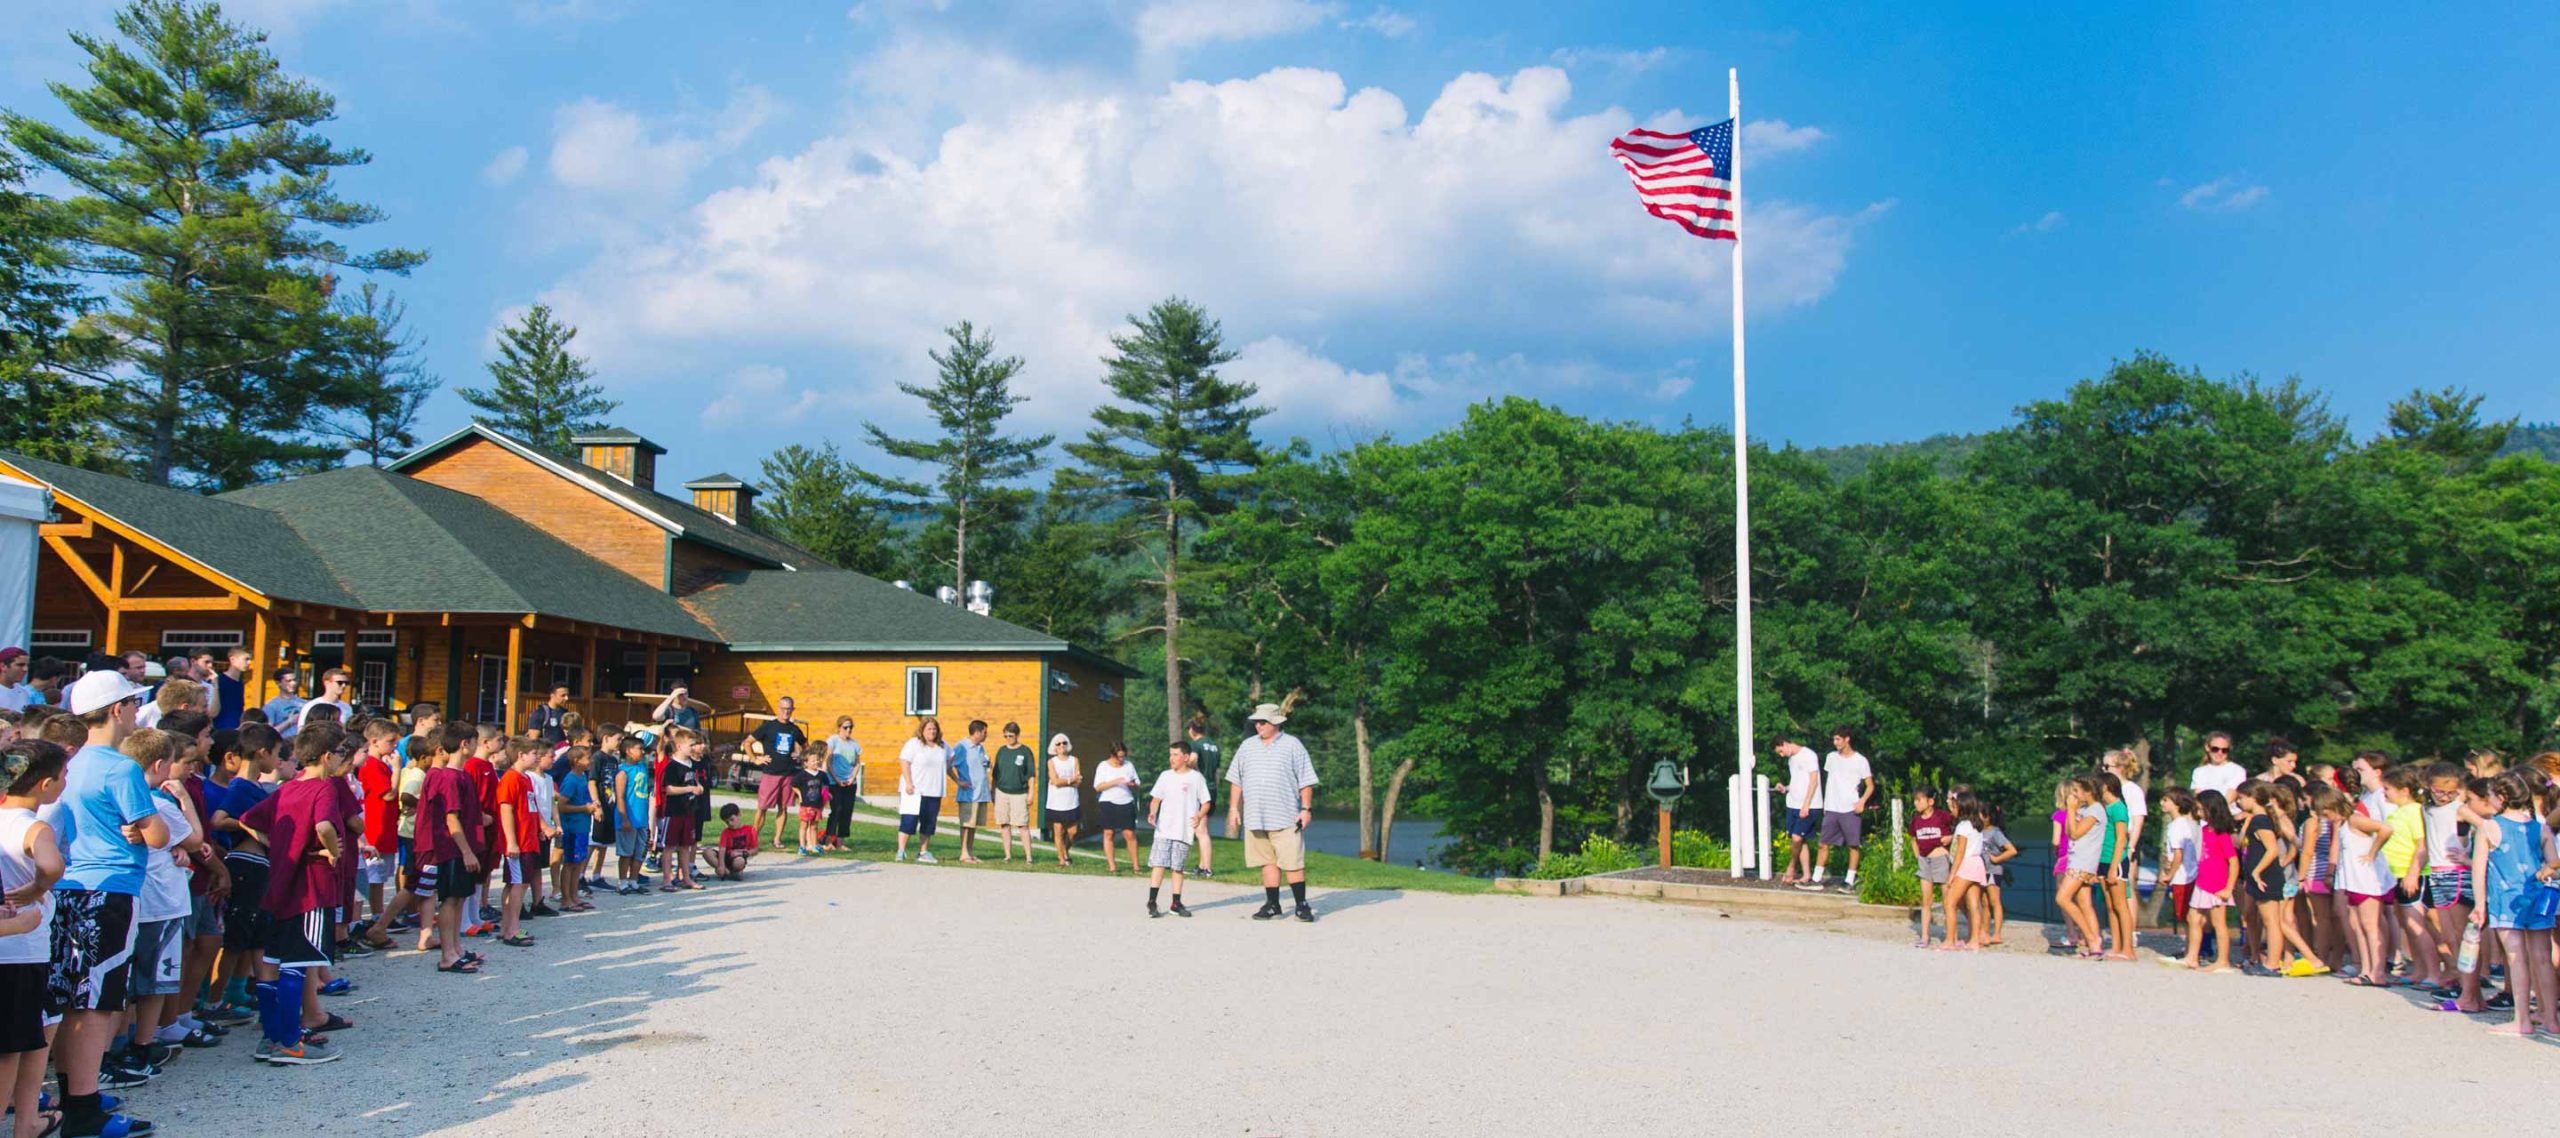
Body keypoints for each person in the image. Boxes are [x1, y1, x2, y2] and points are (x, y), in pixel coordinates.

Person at [46, 670, 171, 1134]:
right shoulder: (121, 767)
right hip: (112, 887)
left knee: (73, 999)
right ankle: (83, 1108)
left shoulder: (70, 762)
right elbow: (157, 834)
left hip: (68, 887)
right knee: (97, 1005)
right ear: (118, 710)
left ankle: (75, 1095)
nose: (137, 713)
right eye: (134, 705)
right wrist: (140, 829)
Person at [238, 723, 353, 1065]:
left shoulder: (287, 788)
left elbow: (247, 819)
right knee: (297, 965)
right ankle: (290, 1042)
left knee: (272, 966)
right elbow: (323, 826)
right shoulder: (324, 788)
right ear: (328, 755)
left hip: (280, 886)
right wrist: (331, 851)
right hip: (311, 888)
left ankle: (271, 1038)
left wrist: (275, 844)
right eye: (341, 752)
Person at [0, 741, 65, 1138]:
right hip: (21, 950)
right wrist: (38, 886)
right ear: (45, 784)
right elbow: (52, 864)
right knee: (11, 1048)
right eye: (63, 776)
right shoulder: (34, 826)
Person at [2469, 770, 2558, 1036]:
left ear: (2502, 796)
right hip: (2538, 897)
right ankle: (2551, 1018)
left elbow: (2479, 870)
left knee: (2516, 958)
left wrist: (2479, 904)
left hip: (2506, 901)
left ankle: (2522, 1020)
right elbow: (2554, 866)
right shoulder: (2540, 827)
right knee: (2542, 958)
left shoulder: (2489, 827)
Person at [1227, 703, 1318, 923]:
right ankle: (1273, 904)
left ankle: (1301, 905)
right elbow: (1236, 780)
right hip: (1255, 817)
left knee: (1293, 863)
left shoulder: (1292, 745)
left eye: (1263, 722)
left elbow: (1306, 780)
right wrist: (1233, 809)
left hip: (1285, 817)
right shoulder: (1247, 746)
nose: (1258, 726)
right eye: (1256, 722)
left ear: (1276, 722)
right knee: (1267, 862)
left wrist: (1305, 809)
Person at [410, 721, 485, 975]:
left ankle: (457, 948)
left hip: (463, 845)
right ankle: (447, 955)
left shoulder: (462, 775)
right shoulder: (448, 777)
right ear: (465, 745)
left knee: (460, 898)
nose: (476, 746)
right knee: (450, 901)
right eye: (474, 742)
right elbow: (451, 818)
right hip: (452, 849)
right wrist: (466, 850)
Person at [1800, 727, 1871, 893]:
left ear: (1847, 739)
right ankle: (1816, 879)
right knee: (1823, 843)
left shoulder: (1860, 760)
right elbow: (1829, 782)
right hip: (1832, 808)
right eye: (1834, 739)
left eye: (1838, 739)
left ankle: (1849, 880)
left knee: (1852, 845)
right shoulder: (1831, 758)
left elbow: (1870, 786)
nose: (1835, 743)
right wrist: (1826, 805)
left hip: (1850, 808)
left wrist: (1862, 801)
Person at [1146, 739, 1211, 918]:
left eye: (1175, 755)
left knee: (1178, 868)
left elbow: (1206, 802)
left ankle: (1176, 903)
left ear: (1186, 757)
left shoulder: (1196, 778)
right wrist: (1153, 812)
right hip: (1164, 830)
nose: (1171, 758)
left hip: (1183, 831)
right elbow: (1155, 799)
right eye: (1170, 754)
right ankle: (1152, 901)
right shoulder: (1165, 776)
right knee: (1159, 864)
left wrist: (1199, 815)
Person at [2182, 789, 2239, 972]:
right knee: (2193, 917)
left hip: (2217, 884)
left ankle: (2223, 960)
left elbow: (2233, 861)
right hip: (2202, 881)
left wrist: (2229, 888)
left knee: (2218, 923)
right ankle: (2192, 956)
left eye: (2200, 809)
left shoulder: (2222, 833)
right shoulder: (2205, 830)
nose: (2198, 813)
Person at [746, 697, 809, 851]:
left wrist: (800, 755)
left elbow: (806, 746)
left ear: (793, 710)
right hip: (770, 773)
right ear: (778, 708)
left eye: (789, 709)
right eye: (783, 708)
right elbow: (747, 742)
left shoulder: (794, 729)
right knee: (762, 807)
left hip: (788, 774)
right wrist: (756, 759)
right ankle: (753, 839)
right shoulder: (768, 727)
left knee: (783, 808)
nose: (786, 712)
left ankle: (777, 839)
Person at [2152, 788, 2200, 963]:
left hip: (2183, 876)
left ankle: (2191, 951)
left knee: (2186, 916)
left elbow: (2178, 854)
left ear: (2177, 804)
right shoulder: (2189, 824)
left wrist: (2169, 874)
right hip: (2190, 874)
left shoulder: (2176, 826)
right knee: (2186, 915)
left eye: (2166, 800)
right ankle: (2189, 948)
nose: (2162, 803)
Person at [657, 728, 706, 892]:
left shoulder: (691, 764)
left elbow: (693, 781)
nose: (693, 748)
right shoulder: (672, 766)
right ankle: (666, 879)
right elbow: (669, 789)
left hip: (689, 809)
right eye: (691, 745)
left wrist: (698, 787)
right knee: (669, 846)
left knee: (686, 845)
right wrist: (690, 789)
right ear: (679, 746)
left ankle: (685, 877)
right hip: (674, 811)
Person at [1938, 790, 1987, 951]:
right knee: (1974, 903)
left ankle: (1950, 940)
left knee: (1949, 902)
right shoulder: (1977, 825)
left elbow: (1960, 853)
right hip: (1977, 864)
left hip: (1965, 865)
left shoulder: (1962, 826)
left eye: (1954, 806)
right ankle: (1975, 939)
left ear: (1962, 807)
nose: (1951, 809)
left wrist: (1952, 875)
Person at [896, 718, 948, 864]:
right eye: (929, 729)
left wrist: (955, 778)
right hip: (915, 790)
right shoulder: (914, 744)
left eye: (934, 729)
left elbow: (949, 761)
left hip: (934, 790)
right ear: (922, 730)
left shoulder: (942, 746)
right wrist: (908, 783)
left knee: (928, 823)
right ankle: (901, 850)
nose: (932, 732)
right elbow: (904, 762)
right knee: (909, 821)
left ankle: (923, 851)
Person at [1907, 786, 1952, 948]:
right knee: (1926, 900)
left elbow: (1958, 827)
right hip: (1925, 860)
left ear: (1930, 801)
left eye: (1919, 800)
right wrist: (1917, 855)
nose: (1916, 803)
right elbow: (1912, 838)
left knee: (1948, 899)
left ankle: (1950, 935)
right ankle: (1925, 936)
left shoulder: (1942, 816)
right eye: (1915, 800)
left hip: (1940, 858)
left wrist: (1950, 838)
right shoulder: (1916, 820)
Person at [612, 736, 654, 896]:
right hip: (629, 819)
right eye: (639, 749)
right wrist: (624, 818)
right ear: (629, 751)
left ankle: (634, 881)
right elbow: (620, 797)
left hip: (641, 819)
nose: (643, 752)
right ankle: (622, 882)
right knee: (626, 852)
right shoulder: (623, 772)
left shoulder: (642, 766)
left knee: (640, 851)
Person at [1092, 742, 1142, 873]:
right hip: (1108, 802)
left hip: (1126, 802)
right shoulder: (1103, 766)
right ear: (1112, 755)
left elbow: (1137, 782)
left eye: (1123, 756)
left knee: (1129, 834)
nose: (1121, 760)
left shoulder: (1129, 765)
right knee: (1109, 833)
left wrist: (1132, 784)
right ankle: (1112, 866)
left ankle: (1136, 866)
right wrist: (1115, 781)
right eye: (1118, 757)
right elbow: (1098, 787)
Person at [1776, 736, 1819, 884]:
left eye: (1781, 751)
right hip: (1793, 804)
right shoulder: (1791, 760)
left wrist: (1806, 804)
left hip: (1808, 805)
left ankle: (1791, 867)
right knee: (1801, 840)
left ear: (1785, 743)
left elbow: (1814, 780)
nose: (1781, 755)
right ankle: (1806, 875)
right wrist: (1785, 788)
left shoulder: (1809, 755)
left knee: (1797, 838)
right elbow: (1797, 782)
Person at [990, 722, 1035, 863]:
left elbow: (1031, 775)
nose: (1008, 738)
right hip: (1002, 792)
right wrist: (993, 791)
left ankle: (1028, 857)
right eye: (1006, 736)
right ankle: (1008, 855)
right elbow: (995, 775)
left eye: (1011, 735)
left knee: (1023, 825)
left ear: (1017, 735)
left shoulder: (1025, 751)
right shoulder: (1001, 751)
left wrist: (1031, 793)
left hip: (1020, 793)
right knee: (1004, 824)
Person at [949, 720, 990, 863]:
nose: (986, 735)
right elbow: (949, 765)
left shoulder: (980, 748)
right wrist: (958, 780)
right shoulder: (962, 747)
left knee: (973, 825)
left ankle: (970, 852)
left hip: (980, 793)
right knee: (966, 824)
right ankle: (963, 853)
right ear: (977, 732)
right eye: (985, 732)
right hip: (968, 794)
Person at [1185, 714, 1220, 878]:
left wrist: (1186, 767)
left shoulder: (1196, 744)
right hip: (1212, 788)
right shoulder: (1214, 746)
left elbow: (1192, 760)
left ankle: (1207, 868)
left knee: (1201, 831)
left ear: (1192, 729)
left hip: (1202, 789)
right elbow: (1217, 771)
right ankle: (1201, 865)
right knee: (1203, 828)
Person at [822, 717, 862, 851]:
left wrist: (852, 778)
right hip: (835, 781)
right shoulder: (833, 740)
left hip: (850, 782)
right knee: (837, 810)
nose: (848, 730)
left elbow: (857, 763)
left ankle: (840, 842)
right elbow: (828, 762)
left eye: (850, 727)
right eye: (845, 727)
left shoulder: (854, 744)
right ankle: (828, 840)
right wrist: (836, 779)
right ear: (839, 727)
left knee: (847, 812)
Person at [1979, 806, 2016, 946]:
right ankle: (1984, 931)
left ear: (1988, 817)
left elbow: (2011, 850)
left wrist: (1997, 859)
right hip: (1982, 870)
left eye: (1981, 815)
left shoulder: (1995, 832)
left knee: (1994, 901)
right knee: (1984, 902)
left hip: (1993, 870)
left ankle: (1997, 934)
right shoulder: (1979, 831)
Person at [1045, 734, 1081, 868]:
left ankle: (1065, 850)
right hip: (1056, 800)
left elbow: (1078, 781)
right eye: (1058, 744)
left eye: (1064, 743)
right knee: (1058, 830)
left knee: (1073, 831)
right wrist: (1070, 780)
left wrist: (1066, 781)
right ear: (1054, 747)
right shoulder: (1052, 762)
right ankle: (1061, 859)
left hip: (1071, 799)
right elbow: (1055, 781)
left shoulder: (1074, 760)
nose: (1061, 746)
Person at [2189, 730, 2245, 796]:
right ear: (2207, 747)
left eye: (2224, 750)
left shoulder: (2237, 771)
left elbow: (2231, 795)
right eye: (2215, 749)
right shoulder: (2199, 772)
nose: (2220, 753)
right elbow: (2198, 795)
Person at [792, 754, 827, 856]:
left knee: (814, 826)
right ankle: (802, 846)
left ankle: (814, 846)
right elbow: (794, 785)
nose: (815, 762)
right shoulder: (802, 774)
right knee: (804, 825)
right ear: (806, 763)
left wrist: (826, 795)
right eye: (812, 761)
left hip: (817, 804)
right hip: (806, 804)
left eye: (816, 760)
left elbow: (826, 785)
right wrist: (800, 796)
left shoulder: (821, 775)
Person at [715, 804, 756, 880]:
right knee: (707, 853)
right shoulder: (726, 832)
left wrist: (743, 853)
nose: (730, 823)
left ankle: (731, 871)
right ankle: (725, 870)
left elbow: (755, 850)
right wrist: (721, 864)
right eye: (727, 822)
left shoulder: (750, 830)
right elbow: (722, 849)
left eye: (732, 819)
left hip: (738, 857)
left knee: (739, 861)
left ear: (739, 815)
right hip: (726, 857)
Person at [0, 649, 31, 713]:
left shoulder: (24, 693)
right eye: (20, 665)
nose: (25, 669)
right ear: (3, 666)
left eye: (27, 665)